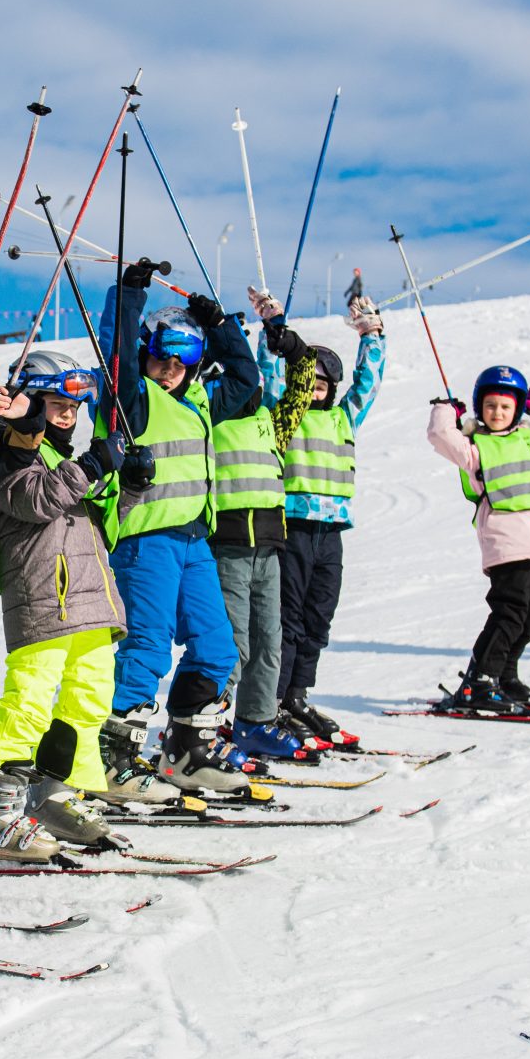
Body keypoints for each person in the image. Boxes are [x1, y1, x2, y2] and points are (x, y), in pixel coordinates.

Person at [96, 261, 261, 795]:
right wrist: (128, 296)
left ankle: (186, 751)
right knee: (146, 645)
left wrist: (222, 327)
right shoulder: (131, 401)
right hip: (146, 542)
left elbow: (247, 380)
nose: (169, 367)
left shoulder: (199, 401)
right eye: (160, 357)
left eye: (182, 359)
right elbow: (116, 356)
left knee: (218, 647)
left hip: (193, 540)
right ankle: (109, 759)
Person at [0, 350, 137, 856]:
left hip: (91, 596)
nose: (67, 413)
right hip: (43, 596)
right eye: (55, 402)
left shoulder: (63, 456)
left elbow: (100, 524)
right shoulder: (3, 448)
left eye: (74, 404)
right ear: (28, 400)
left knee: (89, 696)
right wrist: (89, 465)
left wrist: (131, 485)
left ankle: (54, 794)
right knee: (31, 699)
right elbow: (33, 501)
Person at [426, 366, 530, 713]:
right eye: (489, 406)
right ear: (478, 408)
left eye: (505, 406)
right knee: (510, 612)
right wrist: (446, 410)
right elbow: (441, 436)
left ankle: (504, 674)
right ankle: (479, 682)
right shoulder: (475, 448)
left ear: (518, 408)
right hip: (505, 544)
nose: (497, 413)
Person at [210, 287, 319, 763]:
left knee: (268, 643)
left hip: (270, 546)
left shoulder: (271, 422)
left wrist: (283, 336)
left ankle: (254, 723)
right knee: (231, 645)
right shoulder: (206, 417)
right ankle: (205, 726)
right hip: (227, 545)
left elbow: (301, 380)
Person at [275, 296, 387, 747]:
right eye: (311, 381)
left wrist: (372, 336)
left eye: (324, 382)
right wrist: (276, 340)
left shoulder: (344, 417)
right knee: (289, 619)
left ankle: (298, 695)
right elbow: (267, 377)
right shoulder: (285, 417)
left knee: (319, 617)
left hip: (332, 532)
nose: (316, 387)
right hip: (293, 527)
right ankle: (275, 699)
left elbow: (370, 384)